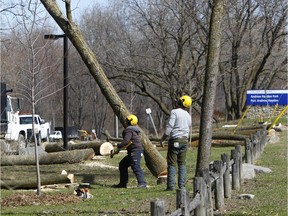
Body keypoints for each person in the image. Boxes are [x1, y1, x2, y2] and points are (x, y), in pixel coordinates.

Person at [161, 95, 192, 191]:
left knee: (171, 163)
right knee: (182, 163)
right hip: (184, 140)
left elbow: (170, 126)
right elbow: (189, 127)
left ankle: (171, 186)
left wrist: (163, 138)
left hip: (175, 140)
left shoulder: (174, 112)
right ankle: (182, 185)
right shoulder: (188, 115)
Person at [112, 114, 147, 188]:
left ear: (130, 122)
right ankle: (123, 184)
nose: (125, 122)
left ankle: (142, 183)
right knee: (122, 165)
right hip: (134, 151)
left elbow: (126, 141)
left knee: (135, 166)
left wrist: (118, 146)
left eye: (127, 121)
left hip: (135, 151)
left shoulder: (129, 130)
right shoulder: (134, 130)